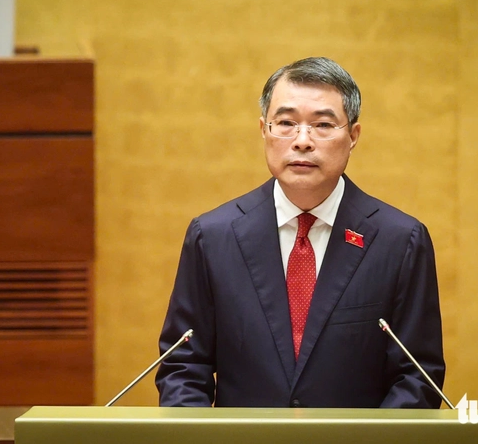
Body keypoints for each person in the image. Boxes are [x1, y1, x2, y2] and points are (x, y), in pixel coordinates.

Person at [155, 57, 446, 408]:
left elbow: (417, 377)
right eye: (286, 123)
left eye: (323, 124)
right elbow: (183, 368)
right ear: (264, 130)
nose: (302, 141)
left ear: (353, 136)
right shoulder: (214, 237)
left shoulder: (400, 241)